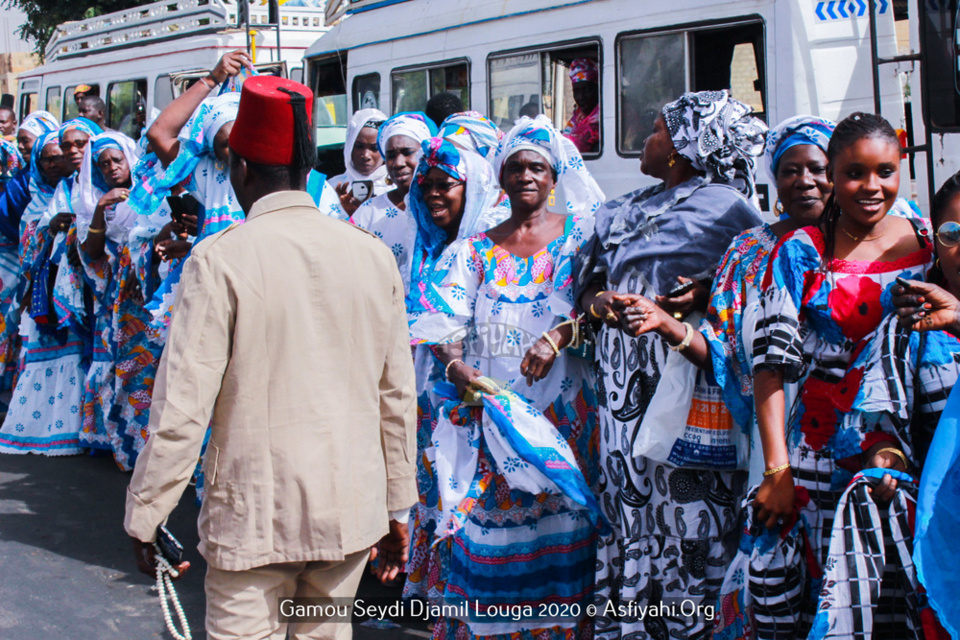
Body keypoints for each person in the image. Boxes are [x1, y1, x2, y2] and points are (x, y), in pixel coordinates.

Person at [125, 74, 418, 640]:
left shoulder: (218, 259)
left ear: (239, 167)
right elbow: (396, 396)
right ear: (307, 169)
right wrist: (397, 505)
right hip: (348, 512)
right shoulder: (372, 256)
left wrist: (147, 512)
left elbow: (182, 405)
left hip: (253, 519)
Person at [575, 90, 766, 639]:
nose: (645, 139)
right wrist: (599, 303)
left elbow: (750, 284)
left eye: (656, 129)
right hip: (619, 383)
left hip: (682, 376)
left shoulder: (730, 210)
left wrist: (699, 295)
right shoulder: (624, 206)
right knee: (629, 499)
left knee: (687, 508)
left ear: (684, 147)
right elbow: (588, 282)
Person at [409, 115, 606, 639]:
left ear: (554, 175)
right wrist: (456, 365)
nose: (525, 175)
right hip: (493, 427)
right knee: (492, 543)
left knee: (563, 541)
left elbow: (603, 307)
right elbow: (441, 323)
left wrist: (563, 334)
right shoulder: (473, 251)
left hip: (565, 429)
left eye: (536, 167)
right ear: (499, 177)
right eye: (514, 166)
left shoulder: (581, 239)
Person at [748, 112, 933, 638]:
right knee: (832, 593)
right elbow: (770, 366)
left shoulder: (924, 236)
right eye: (854, 173)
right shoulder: (802, 251)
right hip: (821, 456)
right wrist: (776, 471)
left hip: (914, 438)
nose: (871, 187)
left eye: (885, 171)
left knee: (905, 588)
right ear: (832, 173)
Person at [802, 173, 960, 639]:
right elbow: (881, 422)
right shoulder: (913, 327)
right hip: (942, 533)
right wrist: (885, 459)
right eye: (951, 235)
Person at [0, 119, 100, 455]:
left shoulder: (95, 182)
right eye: (50, 156)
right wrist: (51, 228)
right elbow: (30, 237)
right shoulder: (48, 193)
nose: (62, 158)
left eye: (77, 146)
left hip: (89, 285)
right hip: (53, 288)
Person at [71, 131, 139, 461]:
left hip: (142, 295)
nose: (111, 167)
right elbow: (91, 250)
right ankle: (111, 435)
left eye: (117, 160)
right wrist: (101, 207)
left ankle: (142, 441)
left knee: (140, 365)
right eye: (103, 163)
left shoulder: (149, 193)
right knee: (111, 364)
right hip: (112, 297)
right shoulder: (90, 200)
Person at [351, 111, 436, 291]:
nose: (398, 163)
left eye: (407, 153)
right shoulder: (369, 212)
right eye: (390, 155)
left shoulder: (442, 208)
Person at [327, 108, 389, 218]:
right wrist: (342, 211)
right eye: (360, 146)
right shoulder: (330, 188)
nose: (366, 155)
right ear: (349, 146)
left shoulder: (397, 190)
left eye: (374, 148)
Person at [562, 58, 600, 154]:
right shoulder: (579, 115)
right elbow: (566, 134)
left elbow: (579, 144)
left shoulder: (602, 115)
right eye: (576, 91)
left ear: (597, 89)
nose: (581, 97)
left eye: (586, 90)